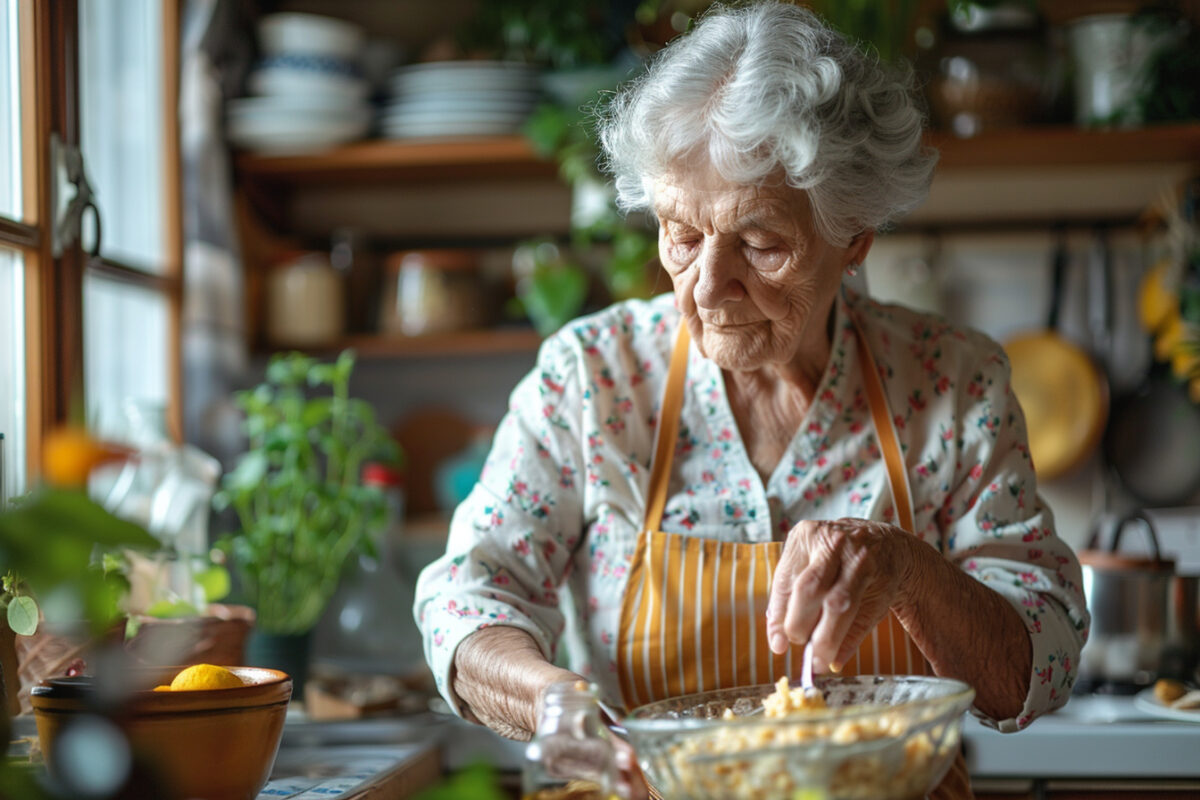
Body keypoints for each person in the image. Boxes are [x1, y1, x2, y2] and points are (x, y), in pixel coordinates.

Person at [415, 3, 1089, 798]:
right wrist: (554, 702)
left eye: (762, 244)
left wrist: (907, 569)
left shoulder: (952, 382)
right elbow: (468, 594)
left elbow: (1033, 665)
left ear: (856, 236)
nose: (707, 287)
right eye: (681, 234)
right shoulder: (593, 379)